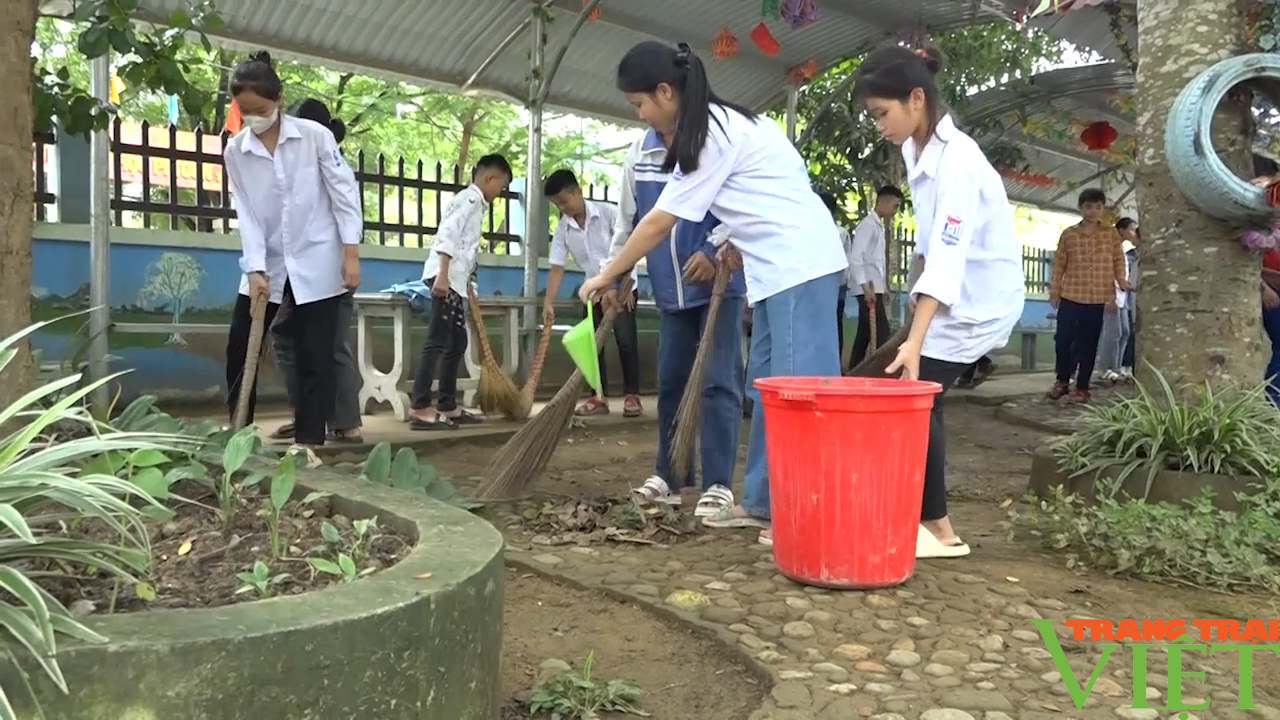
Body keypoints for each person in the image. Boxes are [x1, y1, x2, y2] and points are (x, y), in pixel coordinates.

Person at [579, 41, 847, 547]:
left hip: (800, 267)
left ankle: (804, 513)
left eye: (640, 105)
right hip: (774, 274)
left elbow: (658, 221)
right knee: (769, 392)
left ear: (666, 92)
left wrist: (607, 272)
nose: (639, 116)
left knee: (798, 393)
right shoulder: (721, 126)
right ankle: (766, 504)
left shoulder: (714, 134)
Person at [854, 45, 1025, 559]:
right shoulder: (915, 150)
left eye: (882, 114)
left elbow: (949, 261)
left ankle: (937, 528)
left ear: (916, 99)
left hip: (977, 301)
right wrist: (913, 324)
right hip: (946, 297)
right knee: (901, 393)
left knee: (912, 394)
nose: (879, 126)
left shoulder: (959, 163)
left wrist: (916, 338)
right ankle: (917, 517)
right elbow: (931, 252)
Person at [223, 51, 362, 456]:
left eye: (260, 109)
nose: (253, 116)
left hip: (319, 257)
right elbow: (246, 211)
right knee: (240, 346)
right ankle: (238, 435)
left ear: (278, 100)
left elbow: (344, 194)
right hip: (265, 262)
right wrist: (254, 267)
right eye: (244, 110)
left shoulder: (314, 137)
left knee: (315, 353)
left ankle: (308, 442)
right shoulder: (236, 151)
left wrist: (350, 254)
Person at [602, 128, 747, 517]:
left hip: (719, 284)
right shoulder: (640, 153)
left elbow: (741, 209)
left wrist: (711, 249)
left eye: (644, 101)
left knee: (718, 382)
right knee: (670, 382)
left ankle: (718, 484)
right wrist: (617, 274)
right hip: (670, 288)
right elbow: (629, 223)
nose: (641, 112)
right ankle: (670, 474)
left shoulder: (714, 143)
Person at [269, 98, 363, 444]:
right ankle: (313, 416)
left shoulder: (331, 164)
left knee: (325, 344)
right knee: (294, 340)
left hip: (331, 269)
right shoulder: (293, 167)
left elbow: (349, 213)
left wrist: (349, 259)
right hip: (297, 271)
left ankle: (338, 420)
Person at [409, 153, 513, 430]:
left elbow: (466, 250)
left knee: (457, 343)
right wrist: (442, 275)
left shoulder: (477, 205)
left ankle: (447, 404)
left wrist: (466, 283)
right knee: (437, 341)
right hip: (444, 277)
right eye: (500, 186)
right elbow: (448, 235)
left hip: (457, 281)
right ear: (489, 178)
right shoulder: (466, 200)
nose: (499, 193)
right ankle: (420, 406)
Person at [542, 169, 643, 417]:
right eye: (557, 204)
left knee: (626, 341)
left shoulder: (608, 213)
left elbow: (627, 248)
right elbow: (557, 268)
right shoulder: (563, 230)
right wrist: (548, 303)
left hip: (622, 286)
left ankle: (632, 396)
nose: (562, 208)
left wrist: (620, 285)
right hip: (593, 293)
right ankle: (597, 396)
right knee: (591, 345)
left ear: (577, 192)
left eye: (564, 201)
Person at [1046, 188, 1130, 403]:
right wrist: (1054, 292)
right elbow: (1059, 265)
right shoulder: (1069, 234)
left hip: (1097, 297)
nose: (1093, 211)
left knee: (1089, 343)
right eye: (1089, 207)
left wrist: (1120, 281)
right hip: (1071, 295)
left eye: (1098, 207)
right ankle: (1062, 380)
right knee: (1063, 339)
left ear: (1103, 210)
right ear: (1081, 208)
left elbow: (1118, 260)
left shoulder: (1110, 234)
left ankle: (1082, 387)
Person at [847, 185, 902, 369]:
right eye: (895, 206)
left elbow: (876, 261)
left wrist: (883, 286)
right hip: (867, 288)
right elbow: (856, 257)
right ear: (884, 202)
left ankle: (855, 369)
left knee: (865, 333)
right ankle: (876, 372)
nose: (895, 211)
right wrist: (865, 286)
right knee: (881, 333)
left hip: (874, 287)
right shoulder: (868, 225)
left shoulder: (878, 226)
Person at [1098, 217, 1139, 384]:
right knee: (1113, 334)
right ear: (1121, 229)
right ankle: (1106, 368)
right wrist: (1109, 297)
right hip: (1111, 295)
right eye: (1131, 229)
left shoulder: (1121, 248)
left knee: (1125, 332)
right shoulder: (1109, 246)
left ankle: (1117, 366)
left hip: (1122, 296)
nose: (1133, 233)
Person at [819, 192, 853, 357]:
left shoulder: (837, 232)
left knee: (823, 324)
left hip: (821, 286)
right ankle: (834, 362)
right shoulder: (841, 232)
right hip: (837, 285)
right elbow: (846, 262)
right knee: (834, 325)